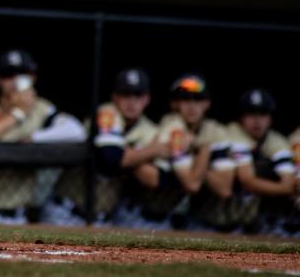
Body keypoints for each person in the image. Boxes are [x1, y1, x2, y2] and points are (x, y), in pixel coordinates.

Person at [0, 49, 86, 224]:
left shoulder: (42, 109)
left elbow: (76, 131)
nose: (15, 81)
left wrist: (34, 137)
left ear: (33, 78)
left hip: (20, 215)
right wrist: (18, 113)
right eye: (8, 75)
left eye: (22, 74)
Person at [43, 68, 163, 226]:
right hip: (66, 210)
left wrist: (129, 155)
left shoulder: (150, 129)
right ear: (115, 97)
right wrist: (153, 151)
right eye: (125, 94)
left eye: (138, 95)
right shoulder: (106, 113)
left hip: (104, 218)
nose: (132, 102)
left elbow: (153, 178)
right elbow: (111, 158)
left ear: (147, 99)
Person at [116, 74, 233, 230]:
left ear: (207, 103)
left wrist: (195, 158)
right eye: (185, 99)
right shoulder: (172, 127)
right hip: (134, 214)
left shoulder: (213, 130)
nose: (192, 106)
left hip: (167, 219)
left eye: (198, 99)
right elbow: (192, 184)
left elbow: (224, 189)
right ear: (174, 104)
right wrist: (205, 151)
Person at [206, 89, 295, 233]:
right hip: (212, 222)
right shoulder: (231, 134)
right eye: (251, 114)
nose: (257, 120)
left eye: (263, 114)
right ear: (241, 117)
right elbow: (247, 180)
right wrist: (288, 189)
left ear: (271, 118)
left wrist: (290, 186)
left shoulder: (275, 140)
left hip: (251, 223)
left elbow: (290, 180)